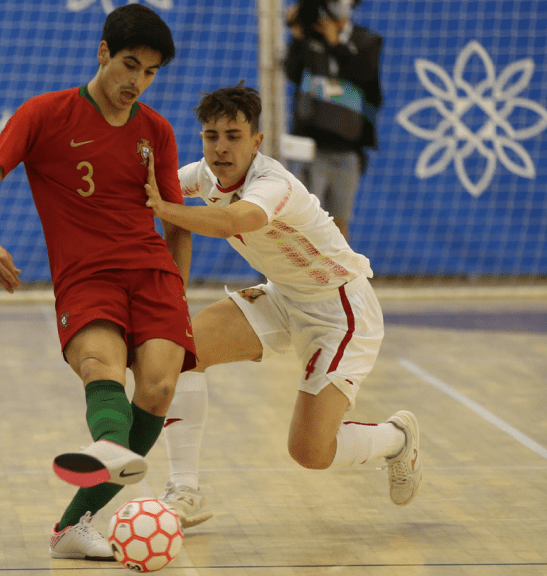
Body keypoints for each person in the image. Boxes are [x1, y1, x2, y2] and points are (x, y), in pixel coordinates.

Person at [0, 4, 194, 561]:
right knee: (100, 368)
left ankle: (71, 524)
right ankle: (109, 447)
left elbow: (176, 223)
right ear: (103, 53)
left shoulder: (156, 131)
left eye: (150, 73)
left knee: (159, 389)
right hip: (86, 276)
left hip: (153, 272)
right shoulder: (44, 114)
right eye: (130, 66)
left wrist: (177, 293)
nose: (137, 83)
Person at [144, 83, 421, 529]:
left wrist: (166, 208)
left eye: (233, 136)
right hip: (281, 297)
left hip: (340, 310)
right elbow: (156, 197)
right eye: (211, 135)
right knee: (182, 352)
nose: (220, 147)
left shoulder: (273, 183)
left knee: (309, 452)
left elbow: (234, 220)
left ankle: (396, 438)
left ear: (256, 142)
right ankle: (185, 491)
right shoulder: (201, 176)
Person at [284, 0, 382, 240]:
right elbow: (292, 73)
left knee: (339, 223)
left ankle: (340, 277)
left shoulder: (367, 40)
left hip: (348, 147)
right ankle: (304, 277)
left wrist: (335, 43)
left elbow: (365, 75)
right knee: (305, 221)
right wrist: (297, 36)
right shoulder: (308, 39)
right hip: (311, 146)